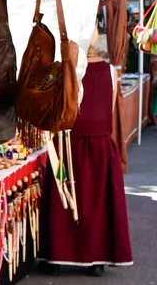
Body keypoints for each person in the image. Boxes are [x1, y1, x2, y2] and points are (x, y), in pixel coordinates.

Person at [42, 44, 133, 270]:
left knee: (64, 198)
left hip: (67, 142)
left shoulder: (64, 69)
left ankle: (58, 255)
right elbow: (109, 108)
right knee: (96, 202)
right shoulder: (110, 71)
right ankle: (96, 258)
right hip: (98, 144)